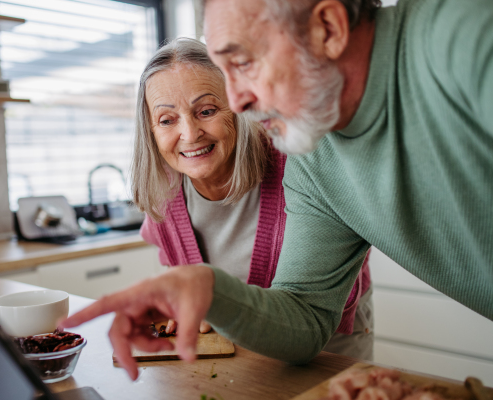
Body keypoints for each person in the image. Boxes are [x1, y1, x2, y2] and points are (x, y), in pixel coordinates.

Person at [61, 0, 493, 381]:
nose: (236, 101)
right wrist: (207, 287)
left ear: (328, 28)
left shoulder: (461, 30)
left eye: (243, 61)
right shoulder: (314, 161)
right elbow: (306, 316)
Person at [130, 38, 373, 359]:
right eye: (167, 119)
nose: (189, 134)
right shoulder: (163, 194)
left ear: (237, 106)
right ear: (150, 130)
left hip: (326, 345)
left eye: (206, 111)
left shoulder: (298, 163)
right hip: (229, 348)